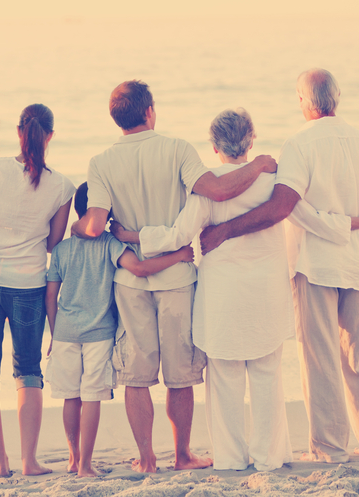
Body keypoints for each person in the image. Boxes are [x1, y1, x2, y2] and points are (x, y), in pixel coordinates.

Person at [111, 108, 359, 471]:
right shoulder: (273, 181)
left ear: (213, 145)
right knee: (268, 376)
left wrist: (132, 236)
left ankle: (231, 459)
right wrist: (355, 223)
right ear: (251, 140)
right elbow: (309, 219)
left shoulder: (205, 189)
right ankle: (269, 458)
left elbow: (176, 236)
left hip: (222, 295)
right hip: (266, 291)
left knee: (224, 381)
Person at [70, 80, 277, 472]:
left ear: (116, 118)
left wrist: (78, 231)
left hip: (130, 282)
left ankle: (147, 458)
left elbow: (95, 224)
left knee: (136, 373)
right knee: (179, 374)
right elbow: (215, 190)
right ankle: (182, 455)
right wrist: (260, 165)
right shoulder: (177, 148)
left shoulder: (100, 163)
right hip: (178, 276)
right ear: (150, 112)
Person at [200, 69, 359, 463]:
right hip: (357, 263)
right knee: (358, 354)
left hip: (315, 264)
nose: (298, 105)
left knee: (319, 356)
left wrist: (225, 231)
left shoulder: (300, 145)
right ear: (336, 98)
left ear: (307, 102)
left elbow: (282, 206)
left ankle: (330, 447)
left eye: (298, 99)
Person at [45, 182, 198, 478]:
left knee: (70, 397)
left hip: (64, 333)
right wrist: (178, 257)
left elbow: (51, 295)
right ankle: (86, 466)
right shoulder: (110, 245)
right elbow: (139, 269)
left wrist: (53, 332)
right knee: (90, 397)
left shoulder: (61, 250)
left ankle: (73, 459)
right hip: (99, 334)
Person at [0, 103, 75, 476]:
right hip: (30, 287)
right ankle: (29, 462)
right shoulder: (62, 186)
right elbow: (52, 244)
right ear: (50, 136)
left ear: (18, 132)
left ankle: (0, 464)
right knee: (28, 373)